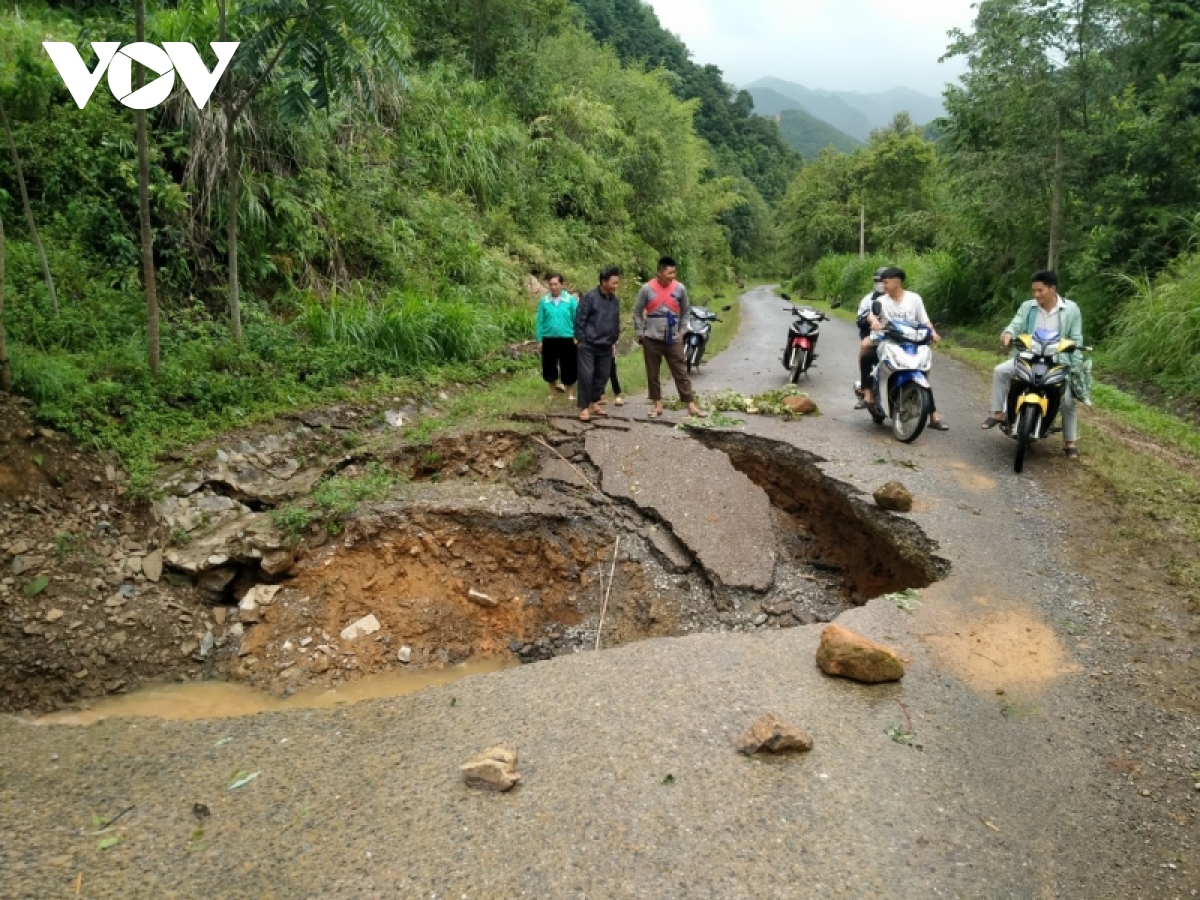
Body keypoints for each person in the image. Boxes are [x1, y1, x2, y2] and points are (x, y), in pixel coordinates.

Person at [981, 270, 1083, 458]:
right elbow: (1015, 324)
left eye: (1040, 290)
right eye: (1034, 291)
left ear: (1052, 289)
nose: (1036, 295)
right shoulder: (1028, 307)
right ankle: (998, 413)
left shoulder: (1071, 309)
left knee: (1067, 399)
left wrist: (1075, 366)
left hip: (1057, 361)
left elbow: (1077, 339)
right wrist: (1008, 333)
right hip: (1027, 356)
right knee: (1000, 371)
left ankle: (1070, 442)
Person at [857, 266, 949, 430]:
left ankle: (933, 417)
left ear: (896, 282)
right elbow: (871, 314)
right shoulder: (882, 301)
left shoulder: (914, 299)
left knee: (920, 372)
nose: (883, 286)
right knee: (866, 354)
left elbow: (925, 320)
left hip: (911, 343)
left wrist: (933, 333)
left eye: (886, 282)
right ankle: (868, 393)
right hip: (888, 341)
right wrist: (874, 322)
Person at [633, 256, 706, 419]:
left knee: (681, 371)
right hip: (651, 337)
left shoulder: (680, 288)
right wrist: (640, 333)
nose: (673, 276)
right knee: (653, 372)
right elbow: (637, 312)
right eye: (670, 272)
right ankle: (657, 403)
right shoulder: (646, 289)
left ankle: (690, 404)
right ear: (660, 272)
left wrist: (681, 331)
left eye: (674, 272)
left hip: (673, 337)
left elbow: (686, 311)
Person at [575, 266, 623, 422]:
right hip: (588, 344)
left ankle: (595, 402)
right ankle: (584, 408)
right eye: (614, 283)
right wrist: (581, 339)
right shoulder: (589, 298)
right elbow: (580, 319)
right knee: (586, 375)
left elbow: (616, 321)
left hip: (606, 345)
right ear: (604, 282)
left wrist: (614, 340)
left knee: (602, 376)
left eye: (617, 283)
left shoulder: (615, 301)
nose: (617, 286)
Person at [536, 274, 578, 401]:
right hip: (549, 338)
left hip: (567, 337)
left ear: (562, 285)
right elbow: (540, 321)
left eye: (556, 284)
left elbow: (577, 319)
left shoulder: (570, 300)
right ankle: (552, 392)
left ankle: (570, 393)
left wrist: (578, 336)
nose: (553, 287)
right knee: (549, 365)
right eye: (551, 285)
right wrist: (540, 339)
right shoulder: (544, 301)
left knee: (568, 365)